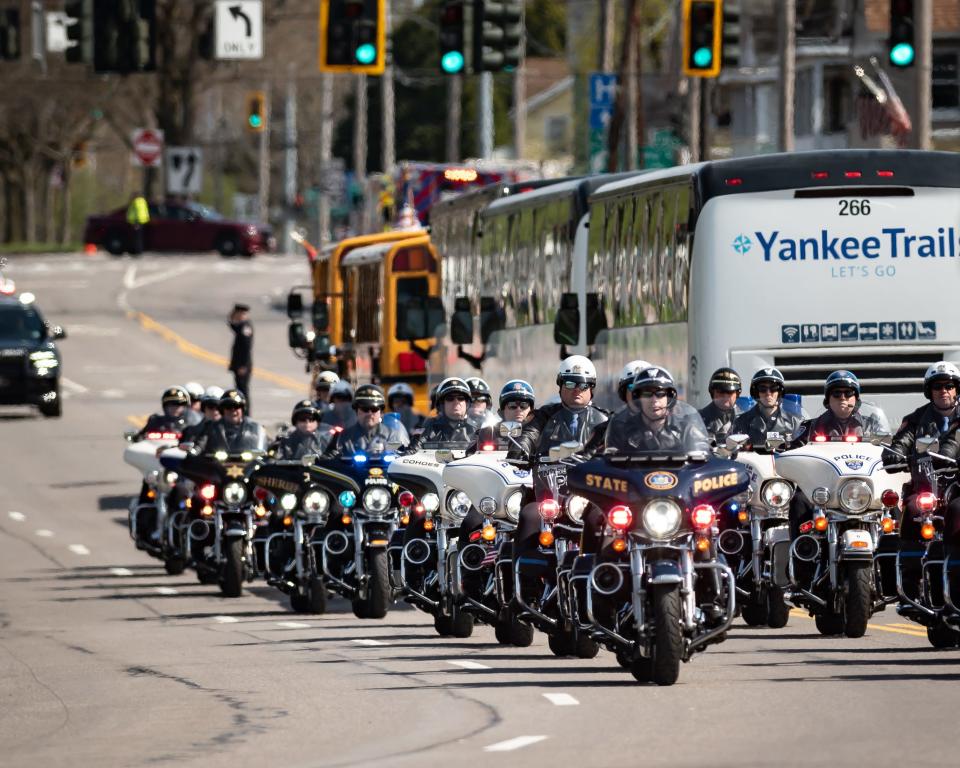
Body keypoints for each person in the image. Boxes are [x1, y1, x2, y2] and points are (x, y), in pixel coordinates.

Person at [580, 366, 711, 553]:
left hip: (679, 499)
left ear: (670, 397)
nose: (654, 400)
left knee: (707, 525)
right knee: (594, 516)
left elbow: (707, 458)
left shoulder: (687, 428)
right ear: (637, 400)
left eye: (660, 393)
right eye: (647, 394)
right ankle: (590, 573)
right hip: (633, 500)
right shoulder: (621, 429)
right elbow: (602, 458)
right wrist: (590, 466)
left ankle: (717, 575)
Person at [509, 356, 608, 580]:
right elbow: (530, 433)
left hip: (586, 495)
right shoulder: (544, 416)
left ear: (592, 389)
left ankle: (602, 574)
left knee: (602, 517)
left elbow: (617, 442)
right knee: (530, 515)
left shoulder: (604, 420)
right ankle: (524, 589)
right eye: (570, 384)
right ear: (560, 386)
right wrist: (522, 449)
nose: (577, 390)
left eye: (583, 385)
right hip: (550, 492)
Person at [882, 362, 960, 601]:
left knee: (958, 512)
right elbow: (902, 439)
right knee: (912, 509)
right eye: (937, 386)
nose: (943, 391)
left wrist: (946, 455)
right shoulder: (916, 419)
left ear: (957, 389)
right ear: (930, 391)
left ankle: (956, 578)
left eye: (949, 386)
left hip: (957, 490)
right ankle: (909, 580)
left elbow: (953, 445)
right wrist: (894, 453)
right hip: (926, 486)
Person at [787, 371, 886, 536]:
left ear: (856, 398)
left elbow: (891, 449)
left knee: (892, 500)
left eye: (848, 393)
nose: (843, 398)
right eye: (836, 393)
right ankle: (801, 554)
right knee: (799, 500)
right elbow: (792, 453)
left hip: (864, 489)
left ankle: (893, 553)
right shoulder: (810, 427)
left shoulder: (872, 426)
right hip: (822, 490)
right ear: (827, 399)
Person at [323, 385, 409, 456]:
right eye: (365, 409)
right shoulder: (342, 437)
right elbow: (329, 460)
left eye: (374, 409)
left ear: (381, 412)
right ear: (356, 410)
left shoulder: (393, 435)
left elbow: (402, 461)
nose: (369, 413)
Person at [730, 368, 803, 448]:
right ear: (756, 392)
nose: (768, 393)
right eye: (762, 389)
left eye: (773, 388)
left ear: (779, 392)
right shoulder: (741, 423)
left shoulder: (795, 423)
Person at [406, 377, 478, 451]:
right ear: (441, 405)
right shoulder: (430, 428)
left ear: (467, 403)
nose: (456, 402)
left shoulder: (477, 429)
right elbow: (412, 453)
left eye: (461, 398)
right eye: (450, 398)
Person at [189, 389, 266, 455]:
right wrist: (194, 450)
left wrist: (273, 447)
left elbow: (266, 447)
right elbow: (200, 445)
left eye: (236, 406)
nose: (233, 410)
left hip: (248, 468)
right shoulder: (210, 427)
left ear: (242, 409)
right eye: (228, 407)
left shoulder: (254, 428)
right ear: (222, 410)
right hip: (216, 468)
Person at [699, 367, 743, 443]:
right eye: (721, 391)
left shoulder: (746, 419)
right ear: (712, 392)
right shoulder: (698, 419)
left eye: (730, 392)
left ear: (737, 393)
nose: (725, 396)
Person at [228, 303, 254, 414]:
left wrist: (243, 365)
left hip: (243, 365)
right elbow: (233, 325)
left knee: (243, 390)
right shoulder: (242, 326)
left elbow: (246, 348)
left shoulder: (246, 327)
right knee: (239, 388)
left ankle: (246, 412)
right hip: (239, 364)